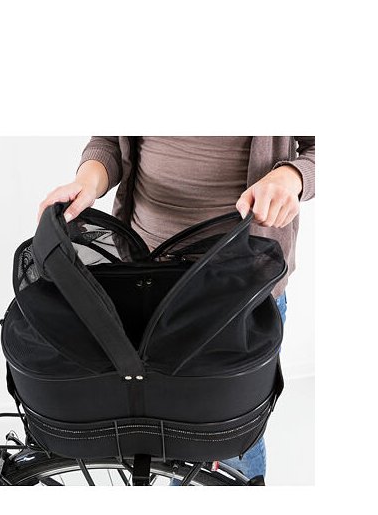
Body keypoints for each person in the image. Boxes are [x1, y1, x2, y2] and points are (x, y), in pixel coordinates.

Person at [37, 136, 315, 482]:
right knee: (156, 430)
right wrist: (87, 182)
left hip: (238, 292)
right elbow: (109, 142)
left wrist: (291, 176)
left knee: (225, 441)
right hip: (141, 278)